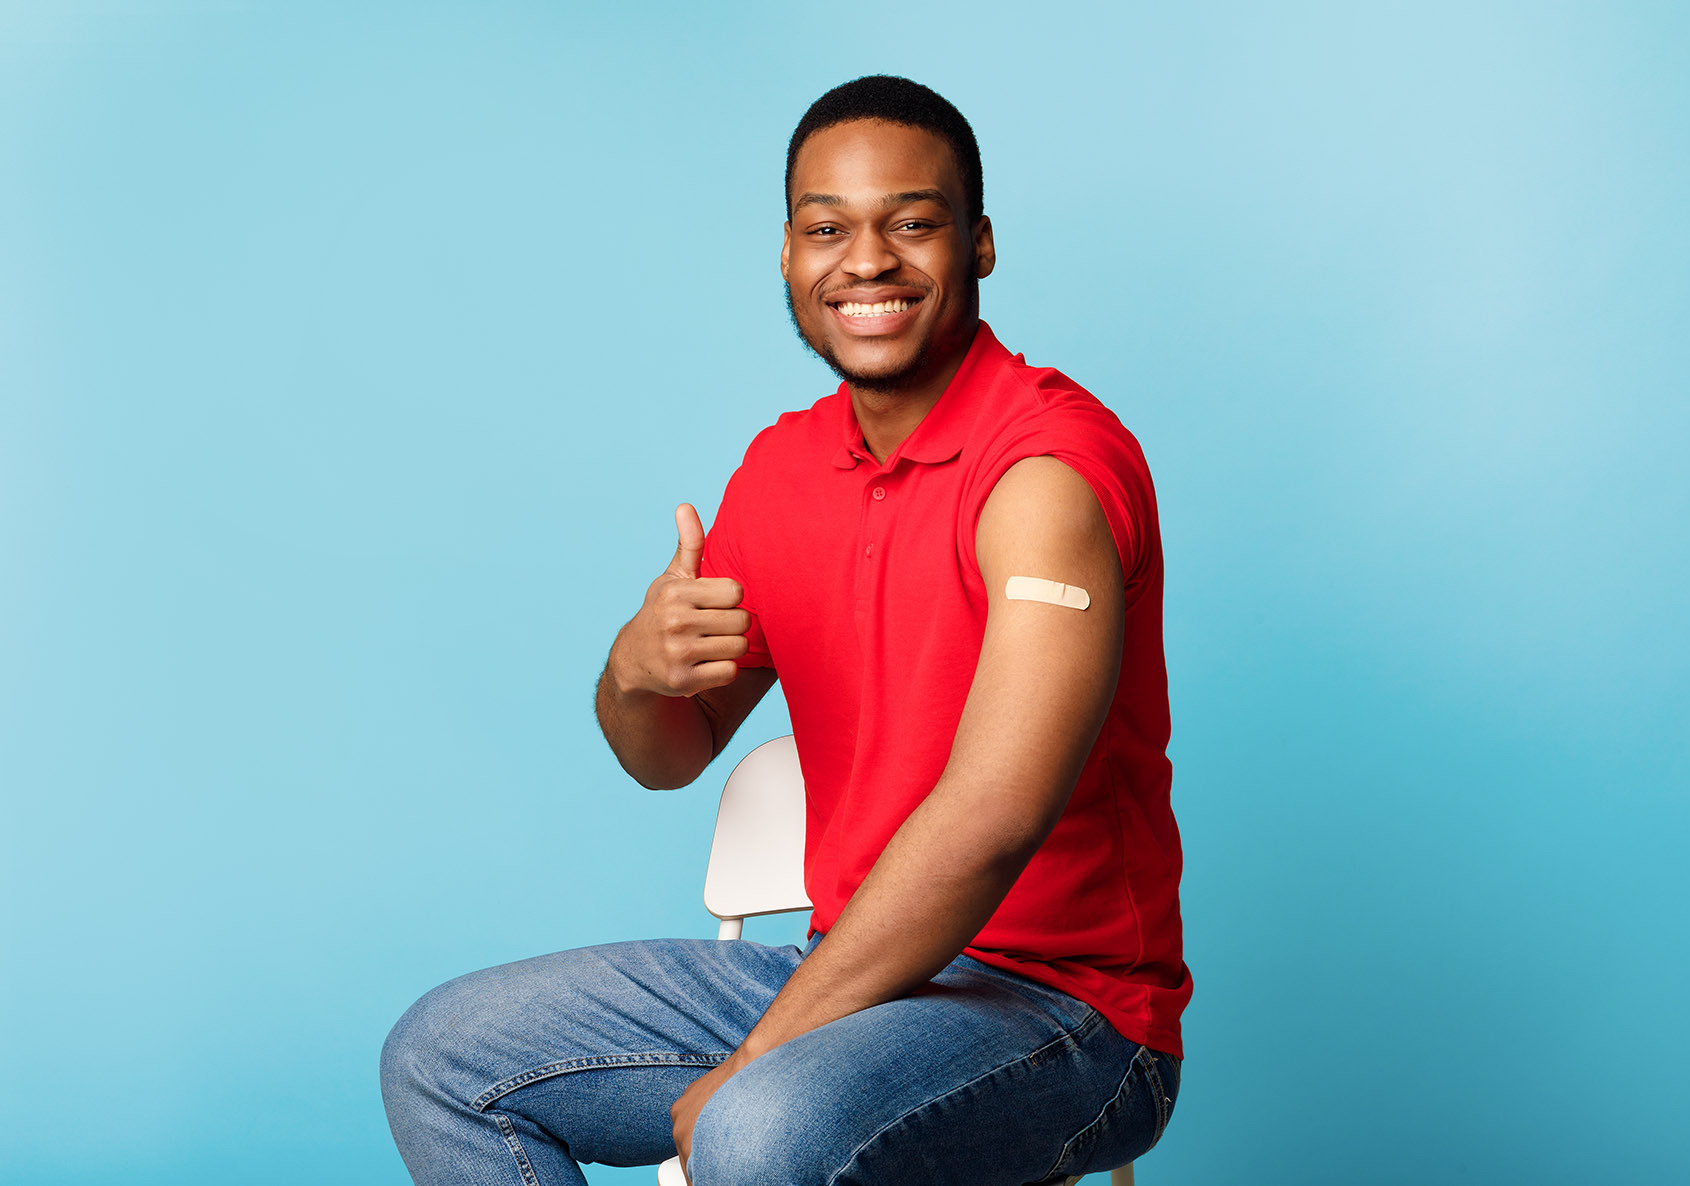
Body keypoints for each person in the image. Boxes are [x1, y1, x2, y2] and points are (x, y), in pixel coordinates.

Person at [381, 74, 1190, 1186]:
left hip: (1067, 1015)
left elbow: (994, 814)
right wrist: (634, 668)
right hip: (854, 975)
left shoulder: (1045, 476)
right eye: (828, 228)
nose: (867, 261)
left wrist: (763, 1058)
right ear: (786, 255)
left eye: (912, 222)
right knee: (444, 1056)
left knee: (763, 1128)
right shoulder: (783, 467)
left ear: (982, 244)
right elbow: (667, 753)